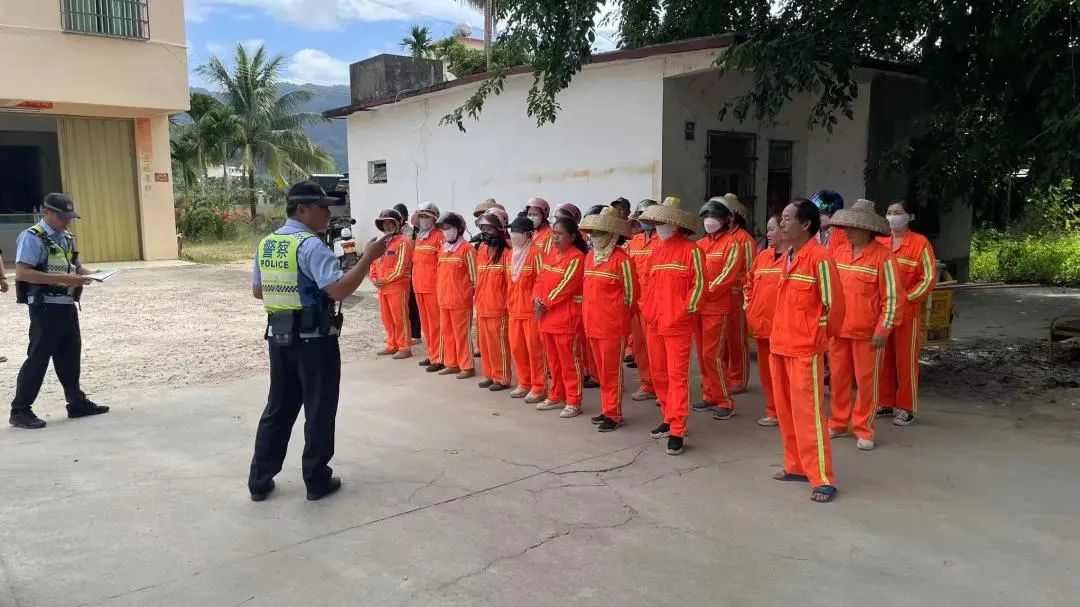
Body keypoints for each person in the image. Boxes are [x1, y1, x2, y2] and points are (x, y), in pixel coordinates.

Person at [249, 181, 389, 501]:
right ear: (302, 209)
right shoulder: (311, 246)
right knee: (319, 409)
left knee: (278, 409)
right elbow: (338, 290)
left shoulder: (267, 243)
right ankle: (316, 480)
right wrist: (368, 258)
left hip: (279, 337)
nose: (328, 214)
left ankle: (259, 480)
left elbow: (258, 292)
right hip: (314, 341)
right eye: (322, 207)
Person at [8, 193, 107, 430]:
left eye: (70, 217)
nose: (67, 222)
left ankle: (76, 402)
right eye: (63, 217)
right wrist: (66, 278)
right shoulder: (32, 237)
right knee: (38, 358)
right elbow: (23, 273)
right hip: (45, 307)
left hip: (66, 304)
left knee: (70, 355)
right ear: (46, 213)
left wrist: (92, 274)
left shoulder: (66, 236)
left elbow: (74, 266)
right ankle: (20, 410)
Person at [770, 199, 845, 503]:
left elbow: (833, 307)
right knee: (786, 411)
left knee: (809, 414)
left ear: (805, 224)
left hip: (804, 349)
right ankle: (796, 466)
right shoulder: (787, 255)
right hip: (780, 344)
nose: (782, 223)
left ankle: (822, 478)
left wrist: (817, 338)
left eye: (788, 218)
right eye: (782, 218)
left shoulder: (820, 259)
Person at [826, 200, 903, 451]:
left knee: (867, 383)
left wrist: (883, 328)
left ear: (867, 230)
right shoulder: (838, 252)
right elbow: (827, 290)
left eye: (853, 227)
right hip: (838, 331)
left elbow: (892, 297)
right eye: (846, 227)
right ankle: (838, 422)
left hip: (868, 334)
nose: (847, 231)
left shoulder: (883, 257)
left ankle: (864, 428)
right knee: (838, 380)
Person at [637, 196, 704, 456]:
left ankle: (678, 428)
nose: (658, 227)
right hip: (654, 321)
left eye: (662, 222)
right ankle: (668, 415)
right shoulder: (656, 250)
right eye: (656, 222)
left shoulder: (692, 250)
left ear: (675, 224)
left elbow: (699, 285)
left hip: (678, 324)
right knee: (659, 374)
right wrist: (646, 308)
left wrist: (686, 311)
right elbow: (647, 283)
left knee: (677, 376)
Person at [877, 199, 936, 426]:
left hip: (907, 312)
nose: (892, 217)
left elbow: (928, 278)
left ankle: (906, 406)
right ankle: (885, 401)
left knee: (906, 361)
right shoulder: (880, 242)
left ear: (909, 216)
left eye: (897, 212)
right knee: (883, 358)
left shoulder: (920, 243)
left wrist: (906, 298)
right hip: (883, 311)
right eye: (889, 212)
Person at [580, 207, 637, 432]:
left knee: (611, 371)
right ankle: (606, 408)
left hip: (612, 326)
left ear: (612, 234)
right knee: (602, 372)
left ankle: (613, 413)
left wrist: (618, 317)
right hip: (592, 323)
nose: (594, 236)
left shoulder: (622, 260)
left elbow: (632, 296)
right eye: (593, 232)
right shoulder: (590, 258)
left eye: (600, 232)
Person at [532, 216, 587, 418]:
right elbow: (539, 280)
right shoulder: (551, 255)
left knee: (569, 362)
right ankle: (556, 395)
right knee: (553, 361)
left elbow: (566, 286)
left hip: (565, 319)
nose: (555, 237)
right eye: (554, 233)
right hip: (546, 318)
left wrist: (545, 302)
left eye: (560, 234)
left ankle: (573, 400)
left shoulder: (577, 258)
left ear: (572, 236)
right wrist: (536, 299)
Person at [692, 199, 741, 420]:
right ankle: (709, 395)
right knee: (703, 356)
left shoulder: (732, 244)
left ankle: (725, 400)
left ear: (725, 220)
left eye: (715, 217)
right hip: (699, 307)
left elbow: (728, 275)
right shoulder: (700, 244)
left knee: (712, 355)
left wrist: (704, 291)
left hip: (717, 308)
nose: (710, 221)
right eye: (707, 217)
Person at [744, 214, 785, 427]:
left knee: (783, 374)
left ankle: (786, 411)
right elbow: (749, 285)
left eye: (771, 229)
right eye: (767, 229)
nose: (767, 233)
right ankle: (772, 410)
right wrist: (749, 308)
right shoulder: (762, 257)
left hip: (783, 329)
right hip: (761, 325)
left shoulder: (793, 258)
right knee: (766, 374)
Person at [505, 216, 548, 403]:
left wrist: (540, 306)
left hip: (531, 312)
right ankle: (524, 383)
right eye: (512, 231)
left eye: (518, 232)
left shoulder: (537, 253)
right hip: (514, 310)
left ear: (529, 234)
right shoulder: (510, 255)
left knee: (535, 351)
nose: (513, 235)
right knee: (517, 349)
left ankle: (539, 387)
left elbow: (542, 281)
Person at [717, 193, 756, 394]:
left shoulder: (744, 239)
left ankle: (738, 378)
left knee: (737, 339)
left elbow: (750, 272)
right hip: (720, 296)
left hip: (736, 295)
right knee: (721, 340)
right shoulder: (721, 239)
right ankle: (721, 376)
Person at [435, 212, 477, 379]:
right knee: (447, 333)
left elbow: (474, 278)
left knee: (462, 335)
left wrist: (466, 295)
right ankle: (452, 363)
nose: (446, 231)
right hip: (444, 299)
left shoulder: (467, 249)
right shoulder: (443, 249)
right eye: (443, 228)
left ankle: (467, 366)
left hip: (460, 301)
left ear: (459, 229)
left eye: (449, 227)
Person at [474, 212, 513, 391]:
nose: (485, 232)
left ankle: (502, 378)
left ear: (498, 230)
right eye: (483, 228)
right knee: (485, 344)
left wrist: (507, 305)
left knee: (499, 345)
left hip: (498, 308)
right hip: (482, 305)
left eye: (489, 229)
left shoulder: (506, 252)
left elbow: (509, 283)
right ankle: (489, 375)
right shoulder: (482, 249)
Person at [625, 199, 659, 401]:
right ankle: (647, 384)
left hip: (655, 303)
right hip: (636, 302)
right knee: (639, 347)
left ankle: (662, 387)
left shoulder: (662, 241)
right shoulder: (634, 241)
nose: (644, 220)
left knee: (656, 349)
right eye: (641, 216)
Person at [370, 209, 413, 359]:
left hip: (397, 287)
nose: (387, 226)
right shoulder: (381, 243)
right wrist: (374, 278)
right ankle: (392, 344)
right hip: (382, 288)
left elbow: (401, 267)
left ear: (397, 224)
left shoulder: (404, 242)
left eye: (390, 223)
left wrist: (385, 280)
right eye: (384, 223)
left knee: (400, 318)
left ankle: (405, 347)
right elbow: (373, 262)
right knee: (387, 318)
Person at [412, 202, 444, 372]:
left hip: (433, 287)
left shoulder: (439, 236)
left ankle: (440, 357)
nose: (424, 219)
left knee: (436, 324)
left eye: (426, 216)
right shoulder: (419, 237)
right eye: (421, 216)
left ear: (434, 218)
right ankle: (432, 353)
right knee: (426, 324)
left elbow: (442, 264)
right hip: (419, 286)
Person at [395, 203, 423, 342]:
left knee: (412, 303)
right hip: (396, 273)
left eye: (398, 216)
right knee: (400, 306)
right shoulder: (394, 233)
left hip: (410, 271)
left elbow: (410, 251)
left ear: (404, 217)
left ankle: (415, 334)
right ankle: (401, 334)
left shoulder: (410, 233)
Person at [811, 189, 848, 254]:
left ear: (834, 213)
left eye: (821, 213)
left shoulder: (845, 235)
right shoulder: (809, 232)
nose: (816, 216)